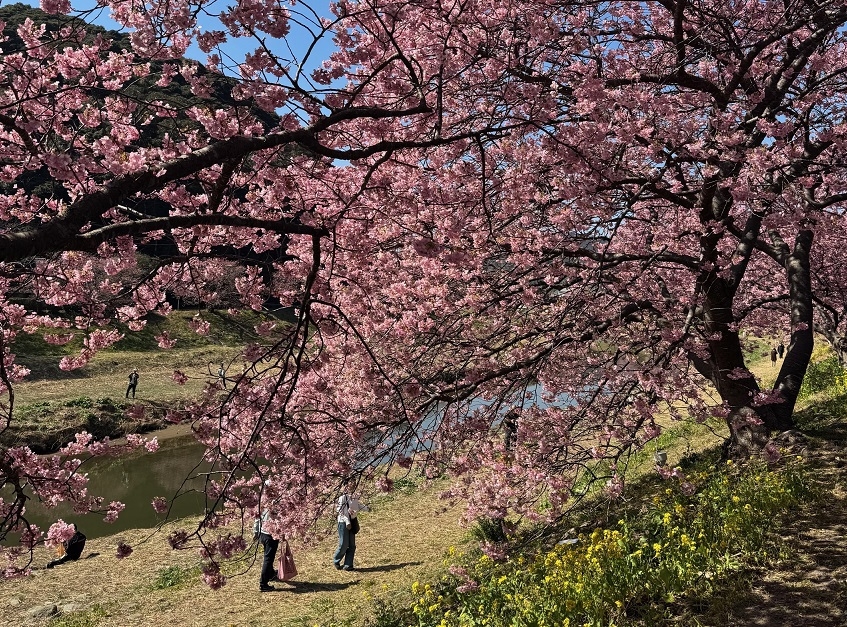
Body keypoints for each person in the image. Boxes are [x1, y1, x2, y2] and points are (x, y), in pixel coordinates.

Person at [333, 482, 369, 571]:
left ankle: (348, 565)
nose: (353, 485)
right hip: (343, 523)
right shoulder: (342, 498)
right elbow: (340, 512)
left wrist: (366, 508)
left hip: (352, 522)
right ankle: (336, 560)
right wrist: (347, 522)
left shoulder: (354, 496)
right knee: (343, 544)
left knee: (352, 545)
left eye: (354, 483)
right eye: (350, 484)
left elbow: (357, 506)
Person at [253, 509, 280, 592]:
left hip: (263, 533)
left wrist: (256, 531)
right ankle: (263, 584)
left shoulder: (264, 501)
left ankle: (271, 573)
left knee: (268, 555)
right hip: (271, 535)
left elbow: (257, 517)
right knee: (268, 558)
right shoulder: (279, 502)